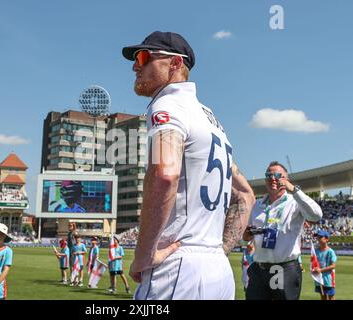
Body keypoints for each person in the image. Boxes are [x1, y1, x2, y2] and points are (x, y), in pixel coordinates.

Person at [122, 31, 255, 300]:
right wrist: (218, 249)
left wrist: (143, 254)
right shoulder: (211, 120)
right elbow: (245, 195)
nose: (136, 65)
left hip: (178, 268)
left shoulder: (168, 104)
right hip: (217, 270)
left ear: (175, 64)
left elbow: (164, 174)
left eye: (145, 57)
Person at [243, 161, 323, 300]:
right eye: (269, 175)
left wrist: (294, 190)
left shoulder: (295, 202)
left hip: (285, 269)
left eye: (278, 175)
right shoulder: (257, 205)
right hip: (259, 269)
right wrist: (246, 235)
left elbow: (316, 215)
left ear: (287, 180)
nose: (273, 178)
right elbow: (245, 236)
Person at [314, 230, 337, 300]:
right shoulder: (316, 251)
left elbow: (333, 266)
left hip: (328, 279)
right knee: (323, 297)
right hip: (319, 279)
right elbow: (314, 263)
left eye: (321, 237)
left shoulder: (330, 251)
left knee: (331, 297)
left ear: (327, 239)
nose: (318, 239)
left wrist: (320, 270)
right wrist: (314, 269)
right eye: (318, 237)